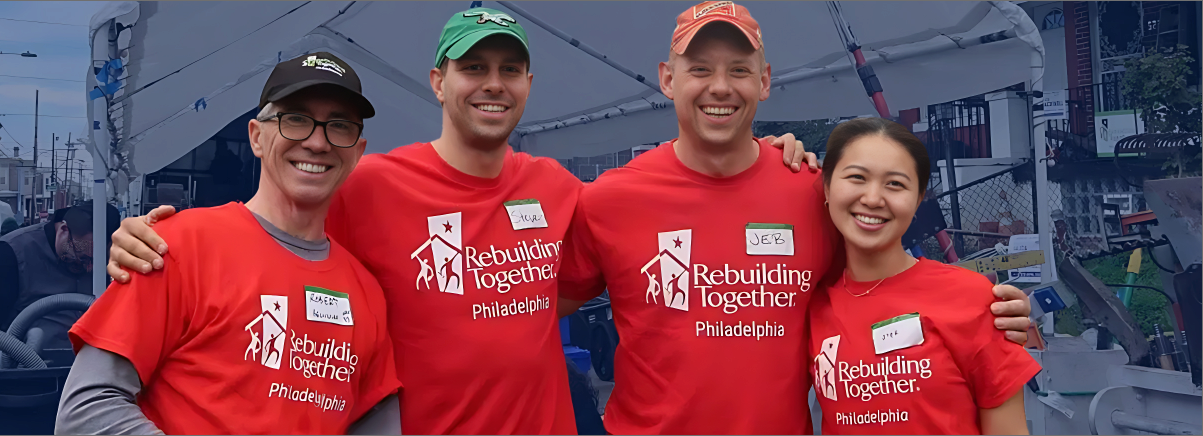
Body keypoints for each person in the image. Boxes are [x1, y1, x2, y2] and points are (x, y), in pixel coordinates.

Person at [106, 6, 816, 435]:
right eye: (473, 67)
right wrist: (156, 239)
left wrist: (785, 156)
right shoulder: (372, 184)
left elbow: (566, 290)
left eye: (510, 68)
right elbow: (277, 236)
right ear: (439, 82)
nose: (493, 83)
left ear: (529, 86)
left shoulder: (564, 190)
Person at [555, 2, 1034, 434]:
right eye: (699, 68)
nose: (720, 86)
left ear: (764, 81)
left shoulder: (809, 190)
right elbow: (531, 313)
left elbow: (879, 287)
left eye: (739, 70)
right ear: (666, 78)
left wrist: (983, 314)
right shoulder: (611, 199)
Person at [55, 52, 401, 435]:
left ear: (357, 152)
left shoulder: (366, 293)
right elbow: (85, 412)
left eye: (339, 126)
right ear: (256, 136)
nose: (317, 142)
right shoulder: (173, 247)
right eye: (296, 120)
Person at [808, 118, 1039, 434]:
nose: (873, 199)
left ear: (917, 201)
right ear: (827, 188)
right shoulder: (813, 306)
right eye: (857, 177)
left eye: (895, 184)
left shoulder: (972, 296)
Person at [0, 202, 120, 350]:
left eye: (98, 261)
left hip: (92, 364)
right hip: (29, 367)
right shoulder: (10, 253)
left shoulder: (110, 258)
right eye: (83, 257)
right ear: (64, 231)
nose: (89, 268)